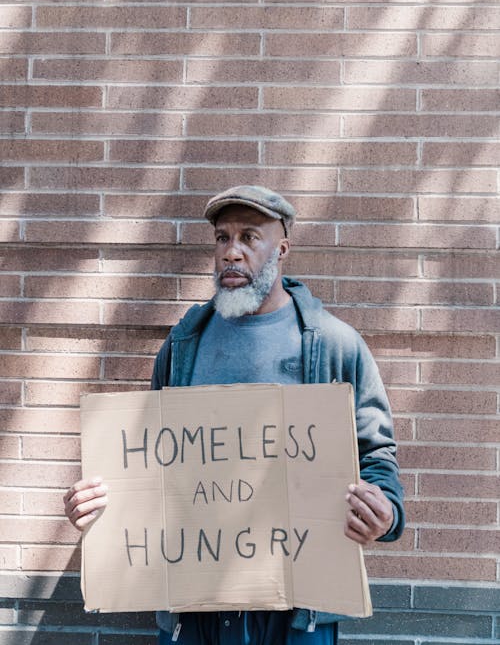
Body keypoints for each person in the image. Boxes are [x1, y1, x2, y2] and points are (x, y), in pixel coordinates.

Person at [64, 185, 405, 645]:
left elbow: (376, 455)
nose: (232, 252)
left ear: (282, 249)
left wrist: (385, 512)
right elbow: (150, 467)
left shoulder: (333, 345)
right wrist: (102, 506)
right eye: (222, 238)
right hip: (195, 608)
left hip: (296, 612)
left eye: (249, 237)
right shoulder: (184, 344)